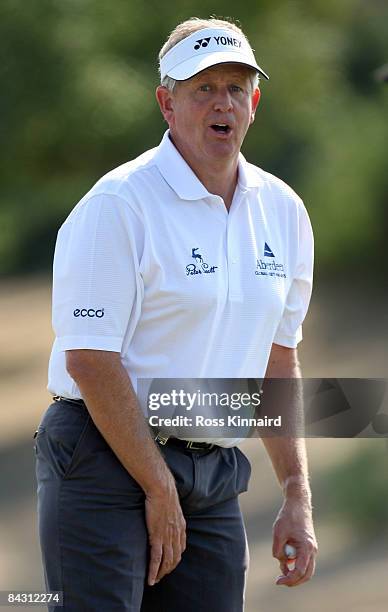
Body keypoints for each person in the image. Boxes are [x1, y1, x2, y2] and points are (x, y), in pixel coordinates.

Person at [34, 16, 318, 612]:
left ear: (255, 102)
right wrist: (156, 484)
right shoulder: (118, 204)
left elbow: (278, 357)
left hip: (210, 471)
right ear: (167, 103)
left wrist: (296, 494)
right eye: (203, 88)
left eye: (236, 87)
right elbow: (89, 358)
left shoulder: (284, 212)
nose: (223, 103)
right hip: (100, 457)